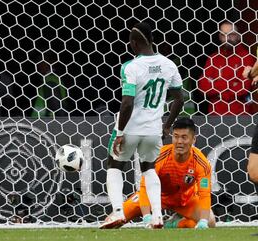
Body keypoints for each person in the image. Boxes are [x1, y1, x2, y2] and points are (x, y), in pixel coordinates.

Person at [99, 22, 184, 229]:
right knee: (149, 169)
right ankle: (157, 217)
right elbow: (179, 99)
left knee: (114, 165)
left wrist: (120, 132)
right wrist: (166, 126)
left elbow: (127, 102)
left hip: (131, 128)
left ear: (134, 43)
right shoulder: (169, 64)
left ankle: (118, 212)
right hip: (154, 129)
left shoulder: (131, 67)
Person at [103, 118, 216, 229]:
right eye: (176, 136)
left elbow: (204, 194)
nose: (179, 142)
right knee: (111, 222)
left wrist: (203, 222)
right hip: (155, 197)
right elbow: (144, 187)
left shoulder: (201, 163)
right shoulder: (160, 156)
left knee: (210, 222)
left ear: (193, 140)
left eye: (184, 137)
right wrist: (147, 217)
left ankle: (173, 224)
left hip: (185, 200)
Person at [198, 20, 256, 115]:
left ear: (238, 36)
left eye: (231, 34)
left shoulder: (247, 57)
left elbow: (244, 88)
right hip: (215, 116)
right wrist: (231, 84)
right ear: (219, 36)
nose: (227, 38)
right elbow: (203, 86)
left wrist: (216, 84)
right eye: (223, 35)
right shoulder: (213, 58)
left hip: (241, 115)